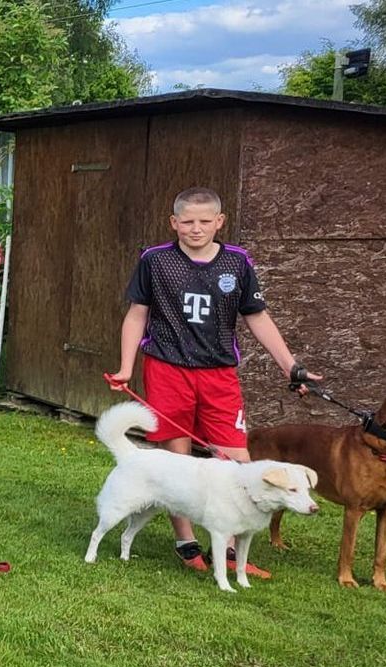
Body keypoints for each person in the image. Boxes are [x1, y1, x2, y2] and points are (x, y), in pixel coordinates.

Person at [105, 187, 320, 578]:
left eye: (205, 221)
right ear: (174, 223)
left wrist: (291, 365)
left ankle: (233, 551)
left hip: (219, 373)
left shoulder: (236, 263)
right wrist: (125, 367)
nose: (196, 228)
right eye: (187, 221)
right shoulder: (156, 260)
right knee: (177, 460)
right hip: (167, 368)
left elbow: (258, 317)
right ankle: (186, 543)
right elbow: (137, 315)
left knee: (238, 461)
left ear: (220, 222)